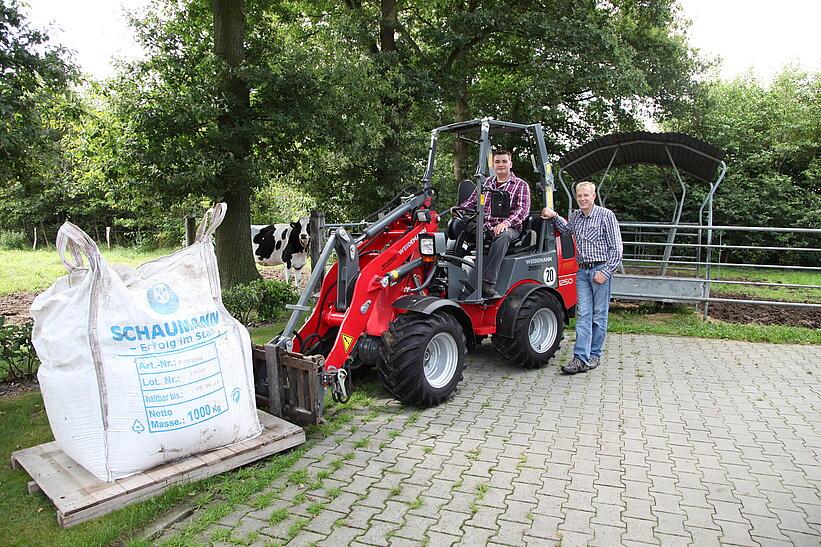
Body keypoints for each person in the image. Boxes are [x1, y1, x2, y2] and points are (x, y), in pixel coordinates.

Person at [541, 181, 622, 374]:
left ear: (594, 196)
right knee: (584, 315)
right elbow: (566, 230)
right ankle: (580, 358)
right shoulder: (576, 216)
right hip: (582, 272)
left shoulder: (606, 216)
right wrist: (554, 216)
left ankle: (594, 355)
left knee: (599, 316)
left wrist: (606, 272)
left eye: (586, 195)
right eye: (579, 196)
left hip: (600, 270)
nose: (582, 199)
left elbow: (617, 249)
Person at [456, 149, 531, 298]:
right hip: (486, 225)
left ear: (510, 164)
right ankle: (452, 274)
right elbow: (471, 202)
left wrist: (506, 223)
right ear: (493, 165)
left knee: (502, 236)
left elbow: (523, 210)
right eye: (497, 162)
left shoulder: (520, 185)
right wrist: (459, 210)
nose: (501, 165)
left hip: (510, 228)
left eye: (504, 161)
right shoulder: (486, 183)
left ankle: (487, 283)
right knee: (458, 228)